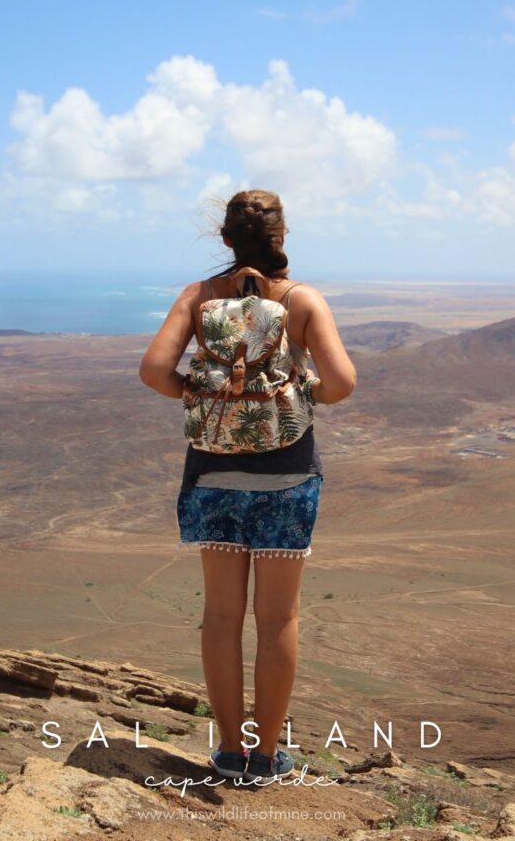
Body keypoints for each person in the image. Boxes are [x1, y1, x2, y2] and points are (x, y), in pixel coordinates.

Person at [139, 189, 356, 783]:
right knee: (279, 619)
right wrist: (298, 391)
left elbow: (154, 370)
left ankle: (229, 753)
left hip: (212, 472)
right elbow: (341, 383)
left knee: (220, 616)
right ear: (281, 237)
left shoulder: (199, 296)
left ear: (226, 239)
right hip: (288, 477)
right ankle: (267, 759)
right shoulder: (302, 300)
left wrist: (205, 396)